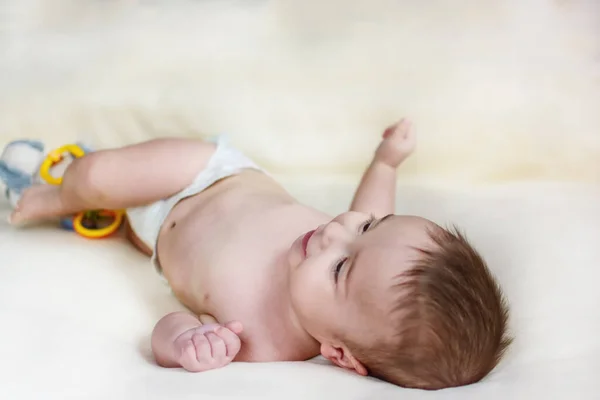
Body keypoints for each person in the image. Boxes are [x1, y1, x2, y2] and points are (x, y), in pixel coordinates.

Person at [9, 119, 511, 390]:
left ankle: (107, 211)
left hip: (155, 233)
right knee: (95, 178)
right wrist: (385, 164)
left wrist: (188, 345)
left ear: (339, 354)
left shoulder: (258, 340)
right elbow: (370, 209)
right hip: (207, 174)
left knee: (117, 203)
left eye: (341, 267)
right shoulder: (347, 244)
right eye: (368, 228)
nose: (338, 229)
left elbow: (168, 329)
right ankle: (61, 191)